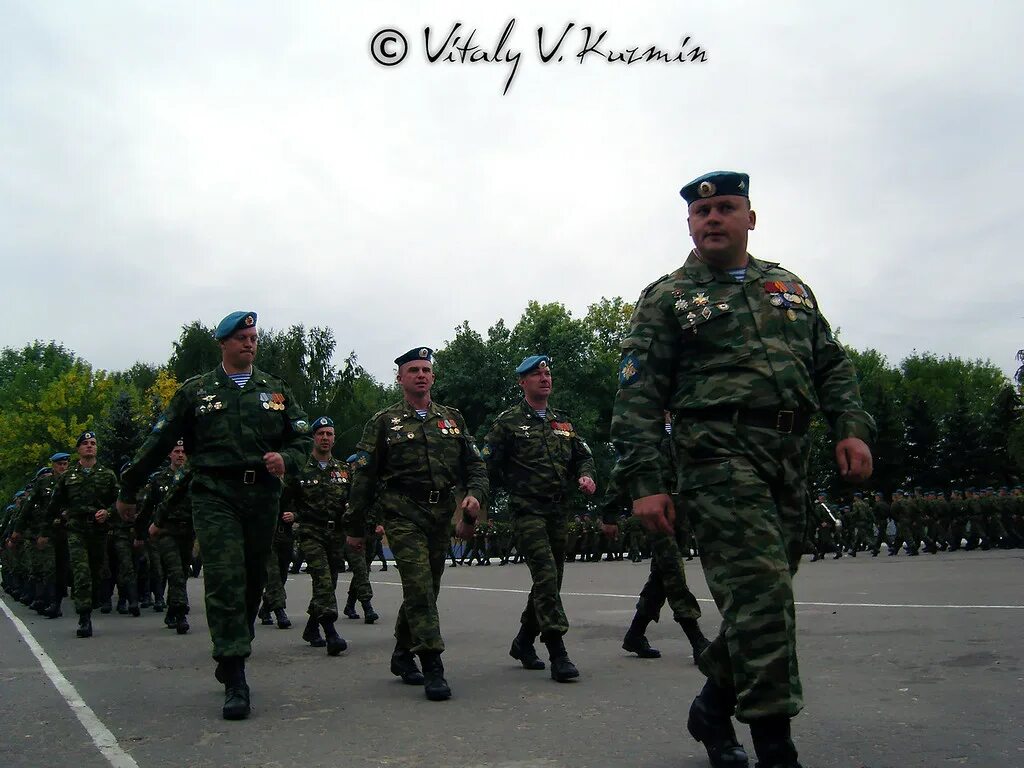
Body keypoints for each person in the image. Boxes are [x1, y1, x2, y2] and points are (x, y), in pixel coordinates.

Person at [610, 171, 874, 768]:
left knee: (766, 599)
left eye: (726, 208)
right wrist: (645, 482)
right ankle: (775, 747)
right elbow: (637, 398)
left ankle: (711, 706)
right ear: (690, 224)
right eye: (702, 213)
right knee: (760, 596)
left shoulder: (789, 288)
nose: (713, 219)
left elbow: (832, 364)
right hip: (715, 459)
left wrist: (850, 427)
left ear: (749, 219)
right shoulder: (669, 298)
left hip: (788, 458)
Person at [116, 311, 312, 720]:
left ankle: (234, 645)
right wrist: (129, 488)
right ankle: (236, 671)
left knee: (255, 577)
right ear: (223, 343)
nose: (249, 343)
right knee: (224, 576)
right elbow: (159, 440)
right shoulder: (196, 391)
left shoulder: (275, 390)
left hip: (262, 496)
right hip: (214, 494)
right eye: (241, 337)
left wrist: (287, 459)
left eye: (254, 337)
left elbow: (303, 438)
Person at [345, 347, 488, 701]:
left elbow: (476, 466)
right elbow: (363, 477)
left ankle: (400, 653)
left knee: (428, 587)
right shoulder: (384, 422)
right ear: (400, 378)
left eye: (426, 369)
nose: (421, 375)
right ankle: (433, 665)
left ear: (433, 377)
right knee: (420, 587)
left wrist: (474, 496)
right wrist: (354, 526)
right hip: (402, 512)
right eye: (413, 370)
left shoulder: (453, 419)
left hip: (440, 515)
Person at [482, 355, 596, 681]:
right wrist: (477, 501)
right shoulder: (507, 423)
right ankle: (558, 651)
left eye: (547, 373)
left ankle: (523, 641)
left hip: (559, 511)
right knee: (546, 576)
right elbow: (484, 466)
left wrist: (587, 477)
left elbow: (584, 457)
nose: (544, 378)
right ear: (522, 382)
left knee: (551, 580)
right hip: (527, 509)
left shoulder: (563, 422)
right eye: (537, 375)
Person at [601, 413, 709, 663]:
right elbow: (623, 468)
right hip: (654, 508)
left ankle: (635, 634)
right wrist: (609, 512)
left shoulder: (683, 426)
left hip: (681, 507)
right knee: (672, 572)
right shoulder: (643, 430)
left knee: (660, 577)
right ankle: (697, 640)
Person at [47, 431, 119, 638]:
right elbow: (54, 505)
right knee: (81, 571)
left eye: (93, 443)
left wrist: (108, 512)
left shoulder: (107, 474)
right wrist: (46, 530)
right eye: (85, 443)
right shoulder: (68, 476)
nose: (89, 446)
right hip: (76, 529)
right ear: (78, 449)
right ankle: (84, 617)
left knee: (97, 570)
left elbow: (119, 501)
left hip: (98, 531)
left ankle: (93, 598)